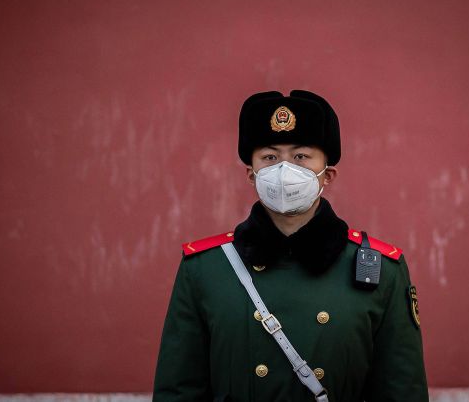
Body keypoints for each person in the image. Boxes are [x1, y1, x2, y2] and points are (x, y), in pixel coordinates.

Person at [153, 90, 428, 401]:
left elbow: (402, 391)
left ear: (329, 174)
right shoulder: (205, 269)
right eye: (270, 157)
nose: (284, 170)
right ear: (251, 174)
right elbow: (178, 391)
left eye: (300, 156)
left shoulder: (380, 269)